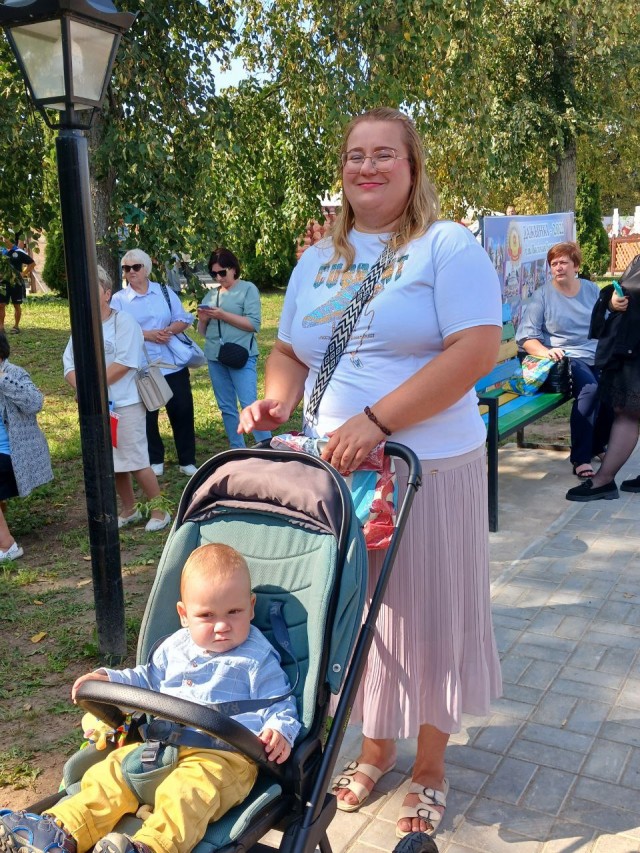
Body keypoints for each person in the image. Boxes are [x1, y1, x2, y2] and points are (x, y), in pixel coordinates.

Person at [238, 106, 503, 838]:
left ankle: (429, 766)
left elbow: (478, 349)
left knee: (431, 614)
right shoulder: (318, 258)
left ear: (413, 167)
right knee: (361, 619)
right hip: (335, 474)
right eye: (356, 154)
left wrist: (379, 421)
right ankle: (376, 746)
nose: (368, 166)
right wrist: (274, 400)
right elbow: (292, 350)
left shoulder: (447, 248)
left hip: (426, 469)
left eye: (385, 153)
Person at [0, 543, 300, 853]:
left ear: (251, 607)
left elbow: (280, 701)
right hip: (158, 747)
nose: (222, 625)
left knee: (185, 795)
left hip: (222, 757)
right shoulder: (175, 646)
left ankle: (150, 847)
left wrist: (280, 729)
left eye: (234, 612)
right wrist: (108, 678)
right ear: (184, 615)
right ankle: (59, 833)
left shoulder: (257, 656)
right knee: (109, 775)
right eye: (207, 615)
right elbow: (144, 679)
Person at [63, 266, 170, 532]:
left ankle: (161, 511)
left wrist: (90, 389)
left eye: (94, 289)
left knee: (135, 460)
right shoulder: (82, 326)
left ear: (107, 294)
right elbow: (69, 364)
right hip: (99, 407)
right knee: (114, 462)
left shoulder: (124, 322)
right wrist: (84, 389)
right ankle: (129, 509)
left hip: (126, 403)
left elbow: (124, 363)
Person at [516, 241, 613, 479]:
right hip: (565, 357)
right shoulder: (542, 296)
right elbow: (526, 337)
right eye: (554, 263)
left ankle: (597, 445)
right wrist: (545, 352)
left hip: (595, 352)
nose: (558, 267)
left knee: (612, 391)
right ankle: (580, 458)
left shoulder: (591, 290)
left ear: (576, 266)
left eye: (563, 262)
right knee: (590, 390)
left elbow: (608, 320)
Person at [110, 249, 198, 478]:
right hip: (141, 366)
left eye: (135, 267)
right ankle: (155, 458)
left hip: (172, 363)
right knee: (148, 413)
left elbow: (182, 318)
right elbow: (116, 329)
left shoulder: (164, 292)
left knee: (182, 410)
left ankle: (187, 460)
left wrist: (167, 331)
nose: (130, 272)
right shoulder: (119, 300)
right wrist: (147, 335)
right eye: (126, 268)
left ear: (146, 269)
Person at [566, 260, 640, 501]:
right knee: (627, 410)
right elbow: (625, 288)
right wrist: (613, 302)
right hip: (629, 346)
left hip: (634, 350)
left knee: (627, 412)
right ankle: (604, 480)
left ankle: (604, 480)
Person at [197, 248, 271, 449]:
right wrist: (203, 320)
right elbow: (203, 332)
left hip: (241, 356)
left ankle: (267, 446)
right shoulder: (211, 296)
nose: (219, 278)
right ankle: (237, 449)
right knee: (226, 408)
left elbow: (254, 324)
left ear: (233, 269)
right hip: (215, 357)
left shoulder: (248, 289)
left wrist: (223, 315)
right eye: (214, 274)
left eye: (222, 272)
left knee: (249, 404)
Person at [0, 331, 52, 561]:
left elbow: (35, 403)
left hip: (13, 454)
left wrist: (2, 379)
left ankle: (6, 545)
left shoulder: (13, 373)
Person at [0, 233, 35, 334]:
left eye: (6, 238)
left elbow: (32, 263)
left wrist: (23, 273)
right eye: (3, 238)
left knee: (16, 305)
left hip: (16, 283)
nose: (4, 240)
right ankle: (1, 327)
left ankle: (16, 326)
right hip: (3, 283)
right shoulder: (1, 251)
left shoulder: (19, 252)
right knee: (1, 305)